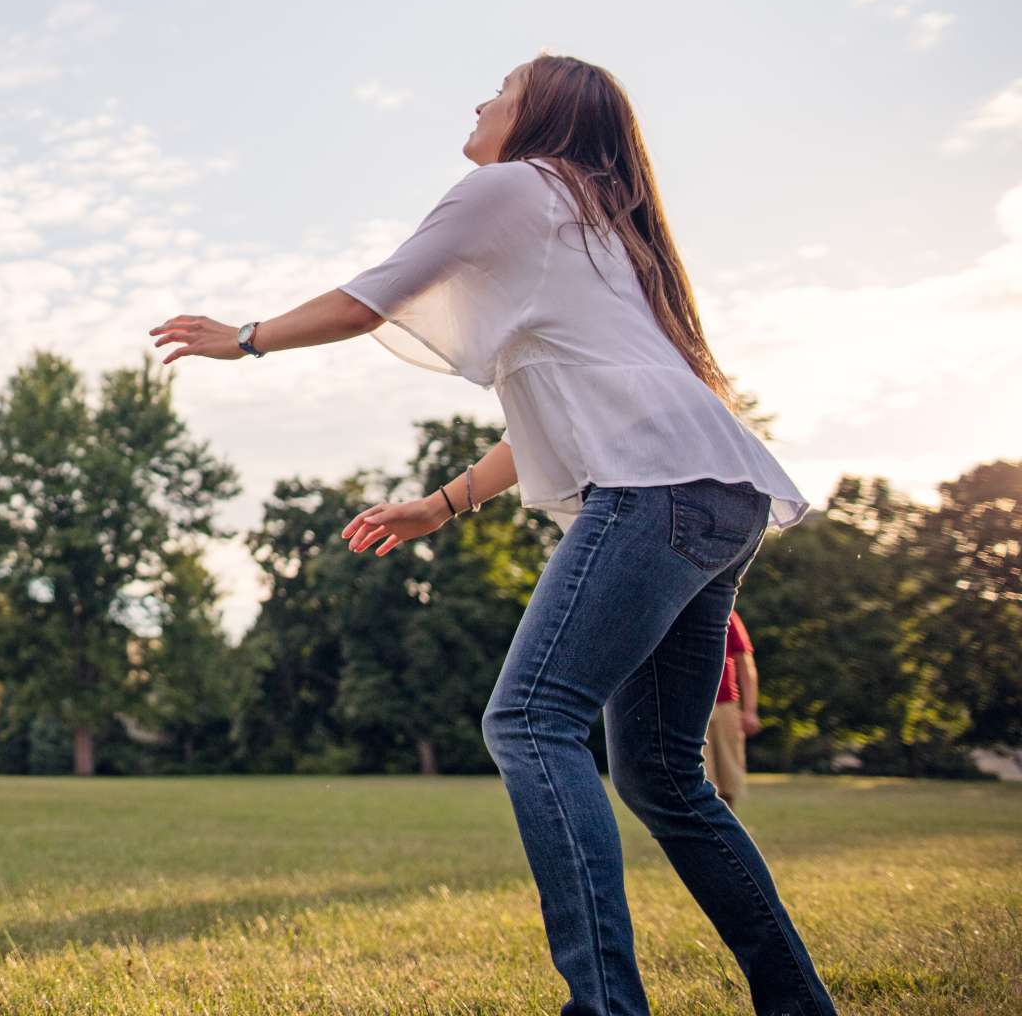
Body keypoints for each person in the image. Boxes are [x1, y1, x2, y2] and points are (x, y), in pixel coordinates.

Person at [150, 54, 837, 1016]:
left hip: (660, 491)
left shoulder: (516, 185)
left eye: (501, 90)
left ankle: (604, 1007)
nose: (480, 101)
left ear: (542, 116)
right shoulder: (592, 221)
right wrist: (441, 503)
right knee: (665, 777)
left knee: (528, 720)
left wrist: (249, 336)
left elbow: (372, 295)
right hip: (719, 493)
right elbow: (556, 409)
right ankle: (798, 1006)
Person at [708, 609, 761, 808]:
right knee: (701, 781)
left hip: (726, 705)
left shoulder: (726, 614)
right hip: (692, 706)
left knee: (728, 781)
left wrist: (750, 710)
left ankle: (725, 834)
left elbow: (745, 665)